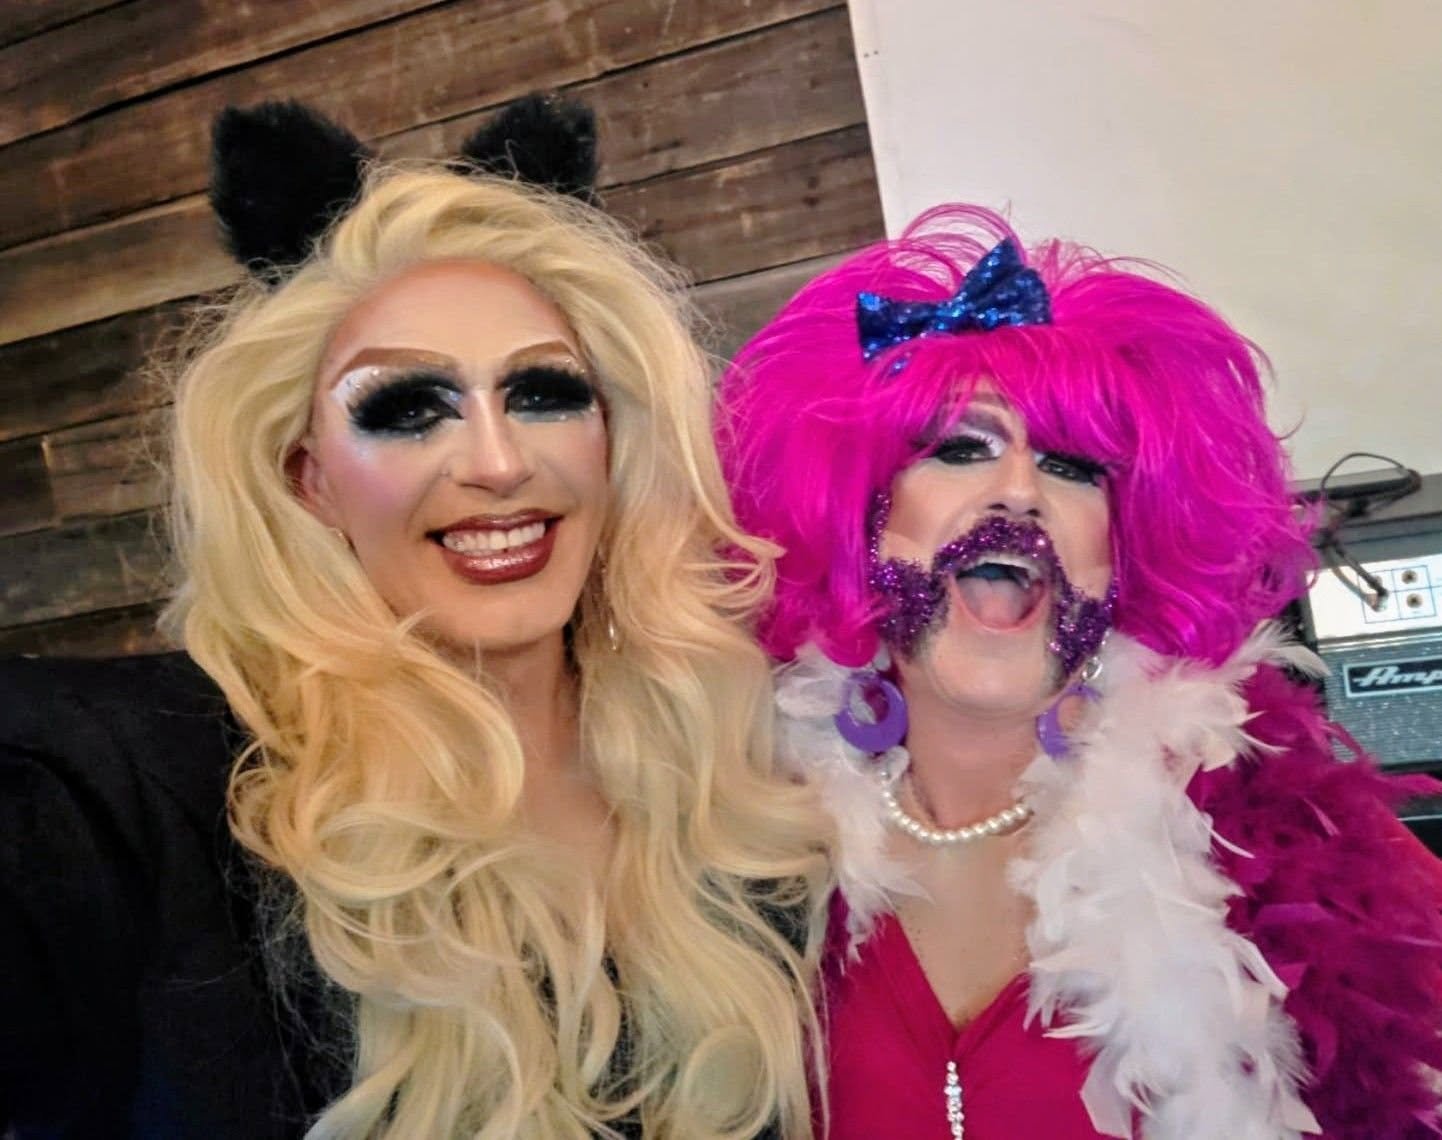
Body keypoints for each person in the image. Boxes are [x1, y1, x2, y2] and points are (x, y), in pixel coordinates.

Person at [0, 96, 828, 1139]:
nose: (497, 462)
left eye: (543, 394)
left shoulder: (728, 772)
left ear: (613, 440)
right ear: (309, 481)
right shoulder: (132, 786)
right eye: (406, 408)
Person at [715, 204, 1442, 1139]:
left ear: (1124, 547)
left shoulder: (1292, 835)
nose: (1020, 490)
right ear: (857, 515)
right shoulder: (744, 836)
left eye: (1073, 466)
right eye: (960, 448)